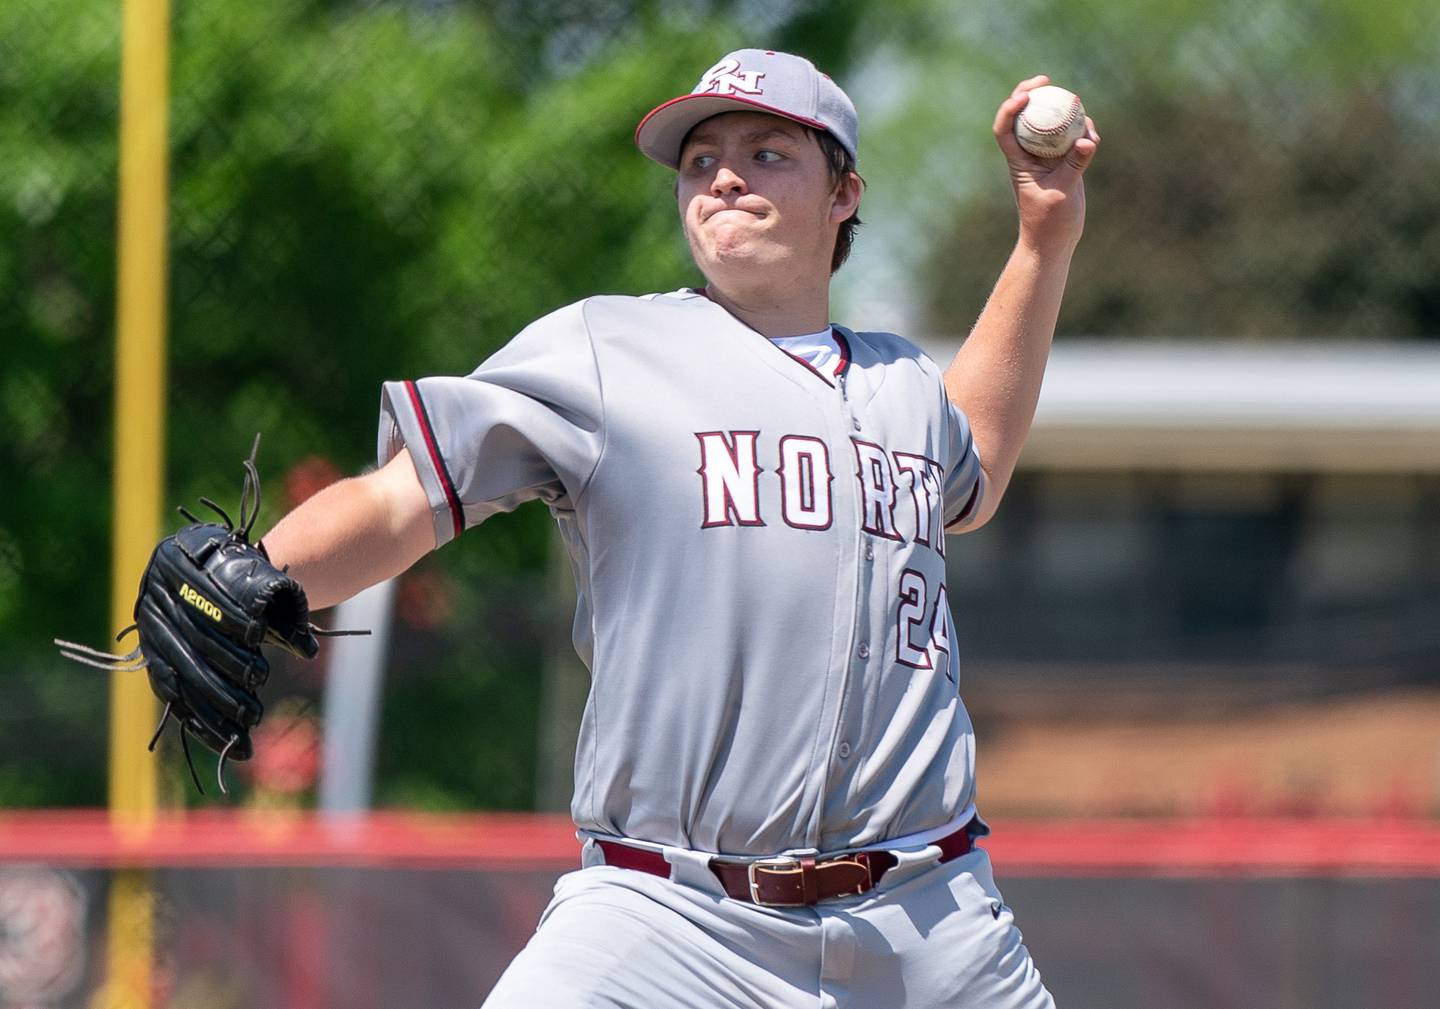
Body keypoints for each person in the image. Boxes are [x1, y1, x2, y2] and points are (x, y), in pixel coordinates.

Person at [260, 48, 1097, 1008]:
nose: (724, 174)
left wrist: (1043, 240)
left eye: (768, 150)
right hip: (666, 915)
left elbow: (976, 468)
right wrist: (257, 570)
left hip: (926, 918)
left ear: (843, 195)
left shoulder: (901, 384)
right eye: (700, 161)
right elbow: (399, 498)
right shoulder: (606, 349)